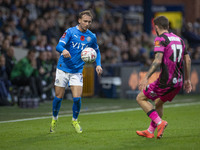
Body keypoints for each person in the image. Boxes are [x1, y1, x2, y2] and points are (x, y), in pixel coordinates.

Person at [136, 16, 192, 139]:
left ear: (156, 27)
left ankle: (160, 122)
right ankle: (150, 131)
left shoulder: (160, 39)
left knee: (140, 98)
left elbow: (157, 60)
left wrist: (146, 77)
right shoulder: (179, 39)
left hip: (166, 81)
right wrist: (187, 80)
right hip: (178, 82)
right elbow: (187, 59)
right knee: (158, 103)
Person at [50, 10, 103, 133]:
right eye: (85, 21)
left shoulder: (92, 36)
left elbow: (97, 51)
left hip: (77, 70)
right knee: (58, 97)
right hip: (63, 68)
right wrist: (63, 50)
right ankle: (54, 119)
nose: (87, 24)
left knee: (77, 98)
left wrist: (98, 65)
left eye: (89, 22)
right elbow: (58, 46)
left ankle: (74, 120)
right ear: (79, 20)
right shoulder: (70, 32)